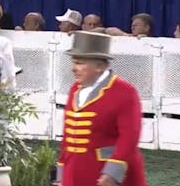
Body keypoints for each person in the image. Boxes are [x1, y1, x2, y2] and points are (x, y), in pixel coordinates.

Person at [55, 31, 147, 186]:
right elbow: (68, 138)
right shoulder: (75, 89)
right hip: (75, 173)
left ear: (99, 66)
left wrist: (112, 173)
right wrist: (61, 175)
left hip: (105, 174)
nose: (73, 68)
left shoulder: (125, 92)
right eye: (74, 62)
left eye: (79, 63)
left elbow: (129, 137)